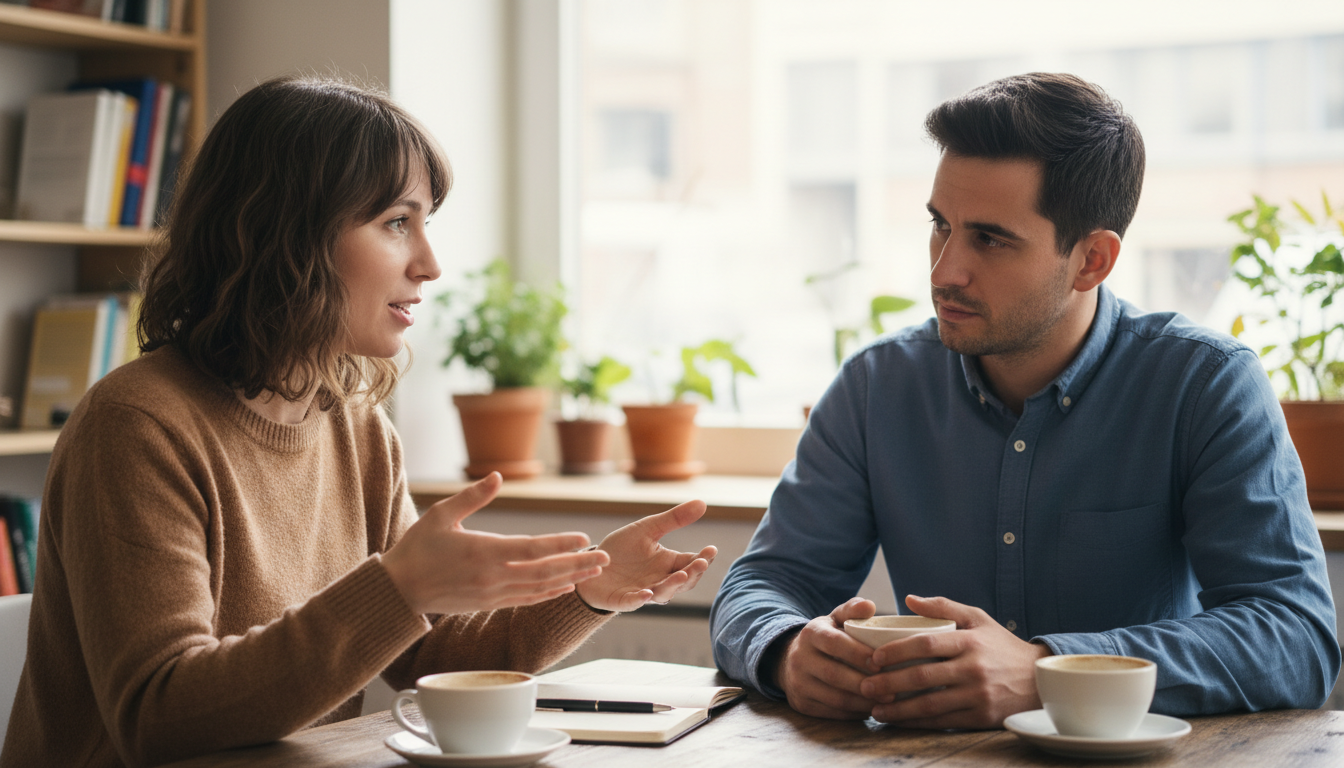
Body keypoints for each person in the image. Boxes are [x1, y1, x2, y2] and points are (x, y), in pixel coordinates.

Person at [1, 76, 716, 768]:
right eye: (397, 223)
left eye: (425, 224)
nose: (429, 264)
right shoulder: (136, 426)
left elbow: (431, 655)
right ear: (288, 235)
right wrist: (399, 587)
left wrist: (589, 592)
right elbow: (157, 719)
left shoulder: (358, 427)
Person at [710, 72, 1339, 729]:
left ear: (1092, 260)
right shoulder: (877, 387)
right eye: (940, 225)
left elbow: (1294, 638)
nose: (944, 271)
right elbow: (762, 586)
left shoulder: (1205, 385)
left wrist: (1047, 672)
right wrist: (787, 651)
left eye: (989, 239)